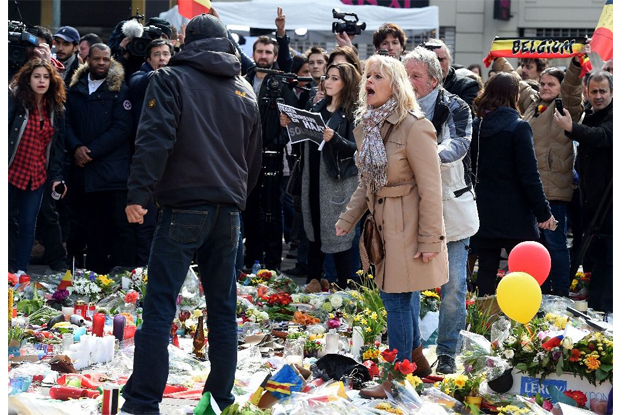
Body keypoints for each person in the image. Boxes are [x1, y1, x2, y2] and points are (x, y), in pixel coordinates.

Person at [121, 14, 262, 414]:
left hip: (184, 205)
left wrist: (138, 194)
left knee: (161, 304)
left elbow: (153, 140)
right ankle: (220, 399)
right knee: (222, 309)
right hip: (228, 210)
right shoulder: (244, 89)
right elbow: (252, 160)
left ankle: (143, 401)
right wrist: (234, 197)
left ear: (187, 41)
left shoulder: (169, 78)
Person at [336, 55, 448, 397]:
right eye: (367, 75)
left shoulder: (415, 126)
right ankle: (414, 364)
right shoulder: (369, 125)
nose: (368, 80)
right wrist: (347, 219)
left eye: (377, 76)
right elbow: (366, 182)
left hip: (409, 226)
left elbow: (432, 189)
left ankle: (395, 380)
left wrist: (430, 240)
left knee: (395, 299)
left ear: (395, 85)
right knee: (404, 297)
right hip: (383, 227)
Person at [403, 47, 479, 374]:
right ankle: (411, 351)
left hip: (452, 210)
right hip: (408, 211)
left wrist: (424, 156)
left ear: (434, 80)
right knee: (408, 286)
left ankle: (447, 352)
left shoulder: (457, 107)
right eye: (404, 75)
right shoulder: (395, 107)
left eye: (415, 76)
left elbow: (458, 145)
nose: (408, 82)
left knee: (454, 287)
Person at [470, 73, 555, 295]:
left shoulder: (476, 126)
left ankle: (483, 320)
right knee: (523, 272)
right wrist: (543, 213)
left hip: (483, 212)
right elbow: (529, 176)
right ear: (515, 95)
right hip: (516, 215)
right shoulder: (519, 127)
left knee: (486, 270)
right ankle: (521, 322)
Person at [281, 62, 361, 291]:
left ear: (347, 83)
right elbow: (301, 143)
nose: (328, 82)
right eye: (328, 77)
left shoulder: (353, 113)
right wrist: (288, 126)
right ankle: (314, 282)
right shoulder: (316, 109)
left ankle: (344, 287)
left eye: (335, 78)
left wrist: (334, 138)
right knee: (313, 229)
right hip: (313, 179)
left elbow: (357, 150)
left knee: (339, 236)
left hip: (338, 185)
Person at [64, 43, 136, 274]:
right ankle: (94, 279)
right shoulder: (74, 89)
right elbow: (65, 123)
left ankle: (124, 278)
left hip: (112, 173)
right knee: (90, 229)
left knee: (119, 227)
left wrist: (90, 152)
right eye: (97, 59)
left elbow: (122, 128)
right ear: (88, 60)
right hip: (83, 174)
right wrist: (75, 147)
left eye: (106, 59)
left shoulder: (120, 89)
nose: (102, 63)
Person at [554, 71, 613, 313]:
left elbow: (603, 136)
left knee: (609, 258)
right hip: (590, 199)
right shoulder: (589, 112)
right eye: (594, 91)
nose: (598, 96)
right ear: (587, 92)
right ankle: (596, 302)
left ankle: (605, 307)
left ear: (612, 92)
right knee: (595, 255)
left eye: (603, 91)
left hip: (609, 203)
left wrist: (572, 128)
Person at [243, 36, 298, 271]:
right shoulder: (243, 81)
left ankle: (273, 264)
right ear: (253, 54)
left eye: (268, 52)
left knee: (273, 212)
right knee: (250, 210)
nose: (263, 56)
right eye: (259, 51)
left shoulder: (282, 84)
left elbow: (295, 120)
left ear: (275, 57)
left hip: (273, 156)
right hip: (244, 158)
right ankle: (251, 259)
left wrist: (277, 141)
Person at [9, 59, 67, 275]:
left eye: (45, 77)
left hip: (37, 174)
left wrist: (57, 176)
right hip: (11, 170)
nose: (41, 81)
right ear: (28, 79)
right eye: (37, 76)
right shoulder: (16, 100)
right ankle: (7, 266)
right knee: (6, 220)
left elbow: (57, 148)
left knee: (28, 223)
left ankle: (21, 270)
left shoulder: (56, 108)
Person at [423, 39, 480, 110]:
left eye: (441, 60)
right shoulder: (414, 84)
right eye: (432, 61)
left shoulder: (467, 86)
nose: (437, 65)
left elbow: (466, 115)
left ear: (449, 60)